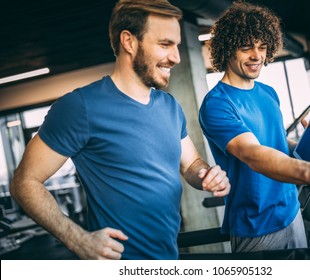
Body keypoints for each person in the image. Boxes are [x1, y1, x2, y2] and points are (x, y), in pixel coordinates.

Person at [10, 0, 230, 260]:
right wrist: (77, 239)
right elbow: (24, 182)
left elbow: (190, 163)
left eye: (177, 45)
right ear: (129, 41)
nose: (176, 57)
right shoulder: (80, 107)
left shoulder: (169, 106)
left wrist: (206, 174)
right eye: (165, 44)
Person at [199, 1, 310, 253]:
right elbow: (253, 154)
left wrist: (303, 145)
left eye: (262, 47)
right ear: (228, 48)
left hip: (291, 210)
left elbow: (273, 141)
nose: (257, 56)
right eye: (246, 47)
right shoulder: (217, 104)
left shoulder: (268, 92)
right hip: (256, 226)